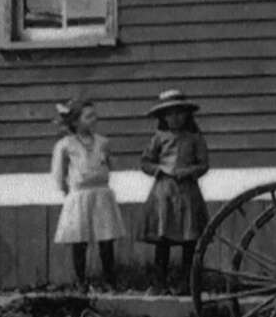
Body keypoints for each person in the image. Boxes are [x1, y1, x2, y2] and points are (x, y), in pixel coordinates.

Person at [49, 101, 125, 291]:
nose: (93, 120)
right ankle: (81, 281)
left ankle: (110, 279)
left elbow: (110, 164)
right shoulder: (66, 145)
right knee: (79, 239)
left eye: (94, 116)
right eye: (88, 116)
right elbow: (59, 173)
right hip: (79, 195)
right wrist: (67, 191)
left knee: (106, 238)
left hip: (101, 193)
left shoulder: (102, 142)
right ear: (75, 121)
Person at [140, 90, 210, 287]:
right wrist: (161, 169)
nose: (175, 118)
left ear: (187, 115)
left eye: (179, 113)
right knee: (163, 238)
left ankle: (189, 282)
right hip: (164, 194)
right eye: (169, 114)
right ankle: (160, 282)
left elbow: (204, 164)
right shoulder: (159, 138)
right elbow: (146, 162)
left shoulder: (194, 138)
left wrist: (189, 171)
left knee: (190, 238)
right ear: (163, 117)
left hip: (188, 193)